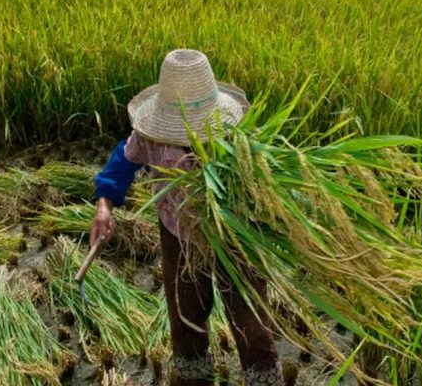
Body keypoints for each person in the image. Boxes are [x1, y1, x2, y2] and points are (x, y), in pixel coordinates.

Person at [89, 49, 283, 386]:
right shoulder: (151, 137)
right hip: (177, 235)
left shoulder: (235, 138)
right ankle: (193, 377)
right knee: (185, 317)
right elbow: (123, 161)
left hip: (234, 235)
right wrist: (104, 204)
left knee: (250, 322)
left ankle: (264, 379)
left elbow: (267, 184)